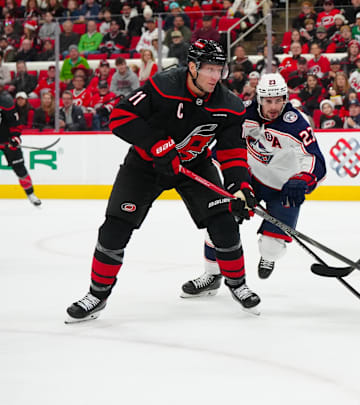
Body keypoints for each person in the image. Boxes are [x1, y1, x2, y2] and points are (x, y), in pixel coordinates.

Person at [65, 39, 261, 323]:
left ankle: (238, 284)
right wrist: (156, 144)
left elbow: (231, 150)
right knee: (115, 227)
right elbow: (120, 116)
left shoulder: (229, 105)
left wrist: (240, 186)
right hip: (145, 165)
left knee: (223, 221)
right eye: (209, 69)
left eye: (220, 70)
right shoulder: (164, 85)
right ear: (192, 67)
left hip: (195, 164)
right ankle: (97, 294)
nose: (215, 77)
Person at [181, 73, 326, 293]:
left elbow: (316, 160)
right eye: (269, 100)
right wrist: (208, 165)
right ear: (259, 98)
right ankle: (212, 275)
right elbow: (223, 143)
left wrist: (301, 179)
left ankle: (269, 256)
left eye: (279, 100)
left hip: (282, 188)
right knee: (218, 224)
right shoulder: (241, 112)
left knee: (271, 248)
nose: (274, 106)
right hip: (248, 180)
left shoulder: (296, 123)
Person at [0, 91, 41, 206]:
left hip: (7, 140)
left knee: (20, 169)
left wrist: (15, 138)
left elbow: (15, 123)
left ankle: (31, 194)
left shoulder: (5, 101)